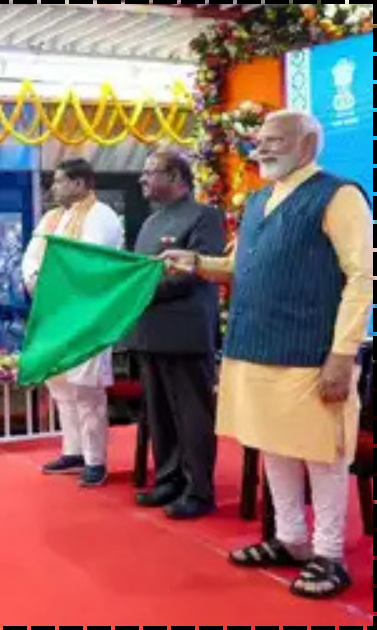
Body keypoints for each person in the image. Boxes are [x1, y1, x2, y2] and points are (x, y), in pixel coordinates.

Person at [161, 110, 372, 598]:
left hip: (311, 352)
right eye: (262, 140)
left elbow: (362, 277)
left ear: (309, 144)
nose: (266, 148)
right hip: (255, 346)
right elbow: (240, 265)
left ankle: (329, 555)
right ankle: (291, 540)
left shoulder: (338, 195)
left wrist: (342, 355)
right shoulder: (257, 200)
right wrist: (195, 263)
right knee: (273, 445)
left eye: (278, 140)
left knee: (323, 455)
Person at [124, 148, 227, 519]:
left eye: (150, 172)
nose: (143, 180)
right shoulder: (151, 223)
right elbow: (140, 271)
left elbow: (195, 271)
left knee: (193, 413)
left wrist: (138, 289)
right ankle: (168, 478)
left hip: (185, 329)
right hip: (151, 330)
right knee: (160, 412)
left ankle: (199, 489)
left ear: (175, 177)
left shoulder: (204, 216)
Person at [22, 158, 125, 487]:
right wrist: (36, 278)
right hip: (55, 311)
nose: (54, 187)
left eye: (60, 181)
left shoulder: (101, 215)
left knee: (87, 388)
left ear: (80, 184)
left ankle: (95, 460)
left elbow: (90, 262)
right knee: (61, 386)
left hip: (86, 314)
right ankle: (73, 451)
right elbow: (32, 256)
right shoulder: (53, 217)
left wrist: (55, 283)